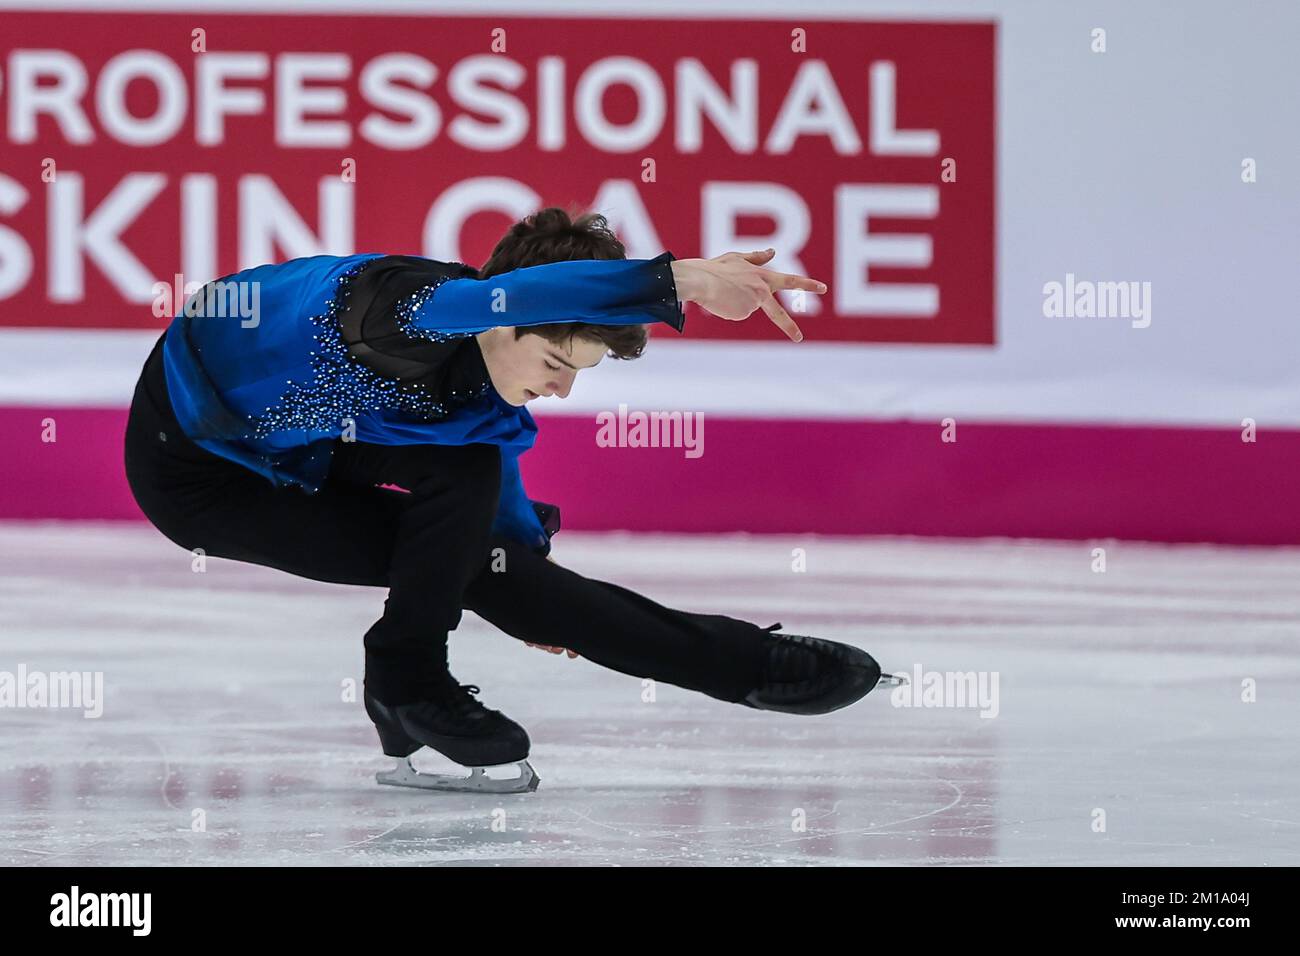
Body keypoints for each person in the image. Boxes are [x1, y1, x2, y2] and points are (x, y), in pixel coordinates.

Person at [123, 207, 895, 792]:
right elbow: (489, 300)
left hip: (311, 443)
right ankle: (410, 681)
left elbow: (505, 527)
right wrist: (678, 280)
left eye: (578, 375)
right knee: (477, 531)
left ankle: (742, 665)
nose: (560, 390)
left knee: (486, 527)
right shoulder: (397, 308)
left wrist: (529, 591)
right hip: (197, 472)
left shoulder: (484, 413)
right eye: (557, 360)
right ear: (507, 315)